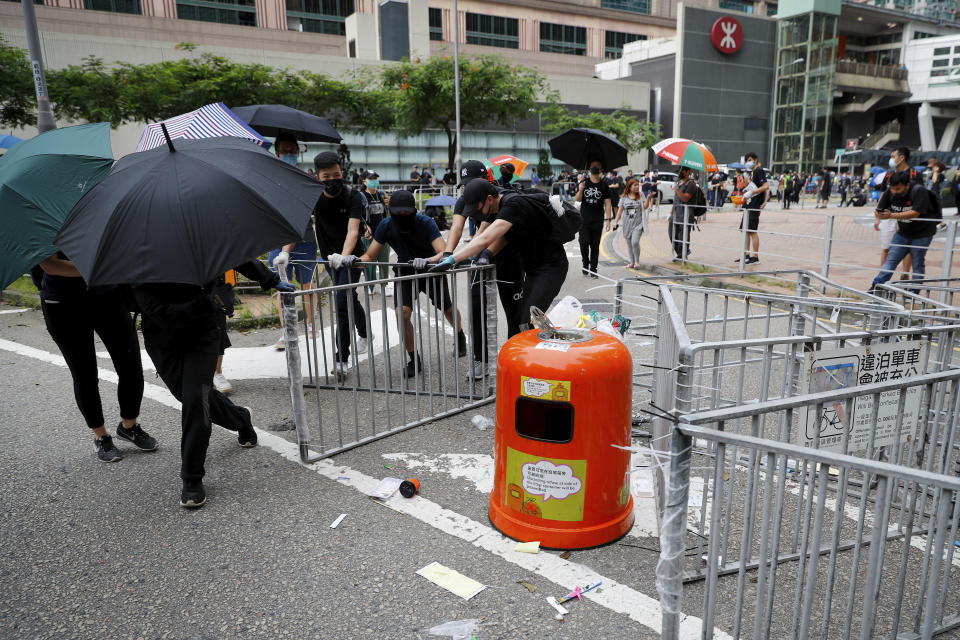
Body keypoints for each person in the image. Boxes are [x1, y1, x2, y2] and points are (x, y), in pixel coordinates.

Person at [133, 273, 294, 508]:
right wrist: (207, 302)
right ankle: (241, 418)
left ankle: (192, 477)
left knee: (196, 401)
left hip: (202, 334)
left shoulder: (193, 241)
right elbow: (161, 313)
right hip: (162, 339)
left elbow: (229, 243)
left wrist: (268, 278)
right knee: (193, 397)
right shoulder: (136, 261)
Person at [35, 253, 153, 463]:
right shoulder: (39, 220)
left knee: (131, 365)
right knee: (85, 374)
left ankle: (129, 426)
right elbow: (50, 265)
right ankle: (101, 436)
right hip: (62, 302)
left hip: (107, 293)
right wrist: (99, 269)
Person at [354, 190, 467, 377]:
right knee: (402, 313)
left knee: (446, 308)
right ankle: (414, 359)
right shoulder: (386, 226)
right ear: (392, 211)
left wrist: (429, 260)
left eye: (407, 213)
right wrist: (354, 260)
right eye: (399, 214)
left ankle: (460, 334)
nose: (403, 217)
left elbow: (444, 251)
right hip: (405, 271)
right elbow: (370, 255)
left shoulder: (426, 223)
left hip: (431, 271)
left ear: (414, 210)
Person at [431, 178, 568, 331]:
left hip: (551, 267)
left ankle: (542, 351)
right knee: (525, 319)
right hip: (532, 268)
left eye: (477, 209)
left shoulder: (513, 205)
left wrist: (451, 258)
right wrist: (480, 255)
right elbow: (504, 237)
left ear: (489, 199)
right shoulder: (498, 209)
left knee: (529, 320)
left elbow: (485, 238)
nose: (477, 215)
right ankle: (534, 350)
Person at [444, 160, 524, 378]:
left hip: (506, 256)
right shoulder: (466, 199)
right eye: (466, 185)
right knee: (477, 310)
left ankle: (515, 362)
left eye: (473, 183)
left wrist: (475, 252)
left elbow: (486, 232)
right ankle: (480, 360)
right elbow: (457, 226)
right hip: (479, 257)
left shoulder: (498, 196)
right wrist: (447, 253)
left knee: (514, 312)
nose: (469, 190)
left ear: (486, 179)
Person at [312, 151, 370, 380]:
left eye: (336, 174)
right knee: (349, 298)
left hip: (350, 259)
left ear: (342, 173)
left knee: (342, 302)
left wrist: (344, 257)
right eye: (326, 175)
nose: (332, 179)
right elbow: (298, 223)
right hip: (329, 259)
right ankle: (365, 332)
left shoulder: (353, 197)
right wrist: (286, 253)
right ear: (318, 176)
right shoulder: (314, 197)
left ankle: (341, 358)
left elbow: (353, 231)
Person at [270, 132, 319, 350]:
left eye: (292, 150)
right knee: (281, 286)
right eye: (285, 150)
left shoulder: (304, 178)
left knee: (307, 284)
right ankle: (286, 332)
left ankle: (310, 324)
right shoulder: (268, 177)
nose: (289, 154)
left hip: (305, 238)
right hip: (278, 238)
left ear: (298, 152)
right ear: (277, 152)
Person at [869, 170, 942, 291]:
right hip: (903, 233)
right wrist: (879, 214)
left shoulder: (918, 191)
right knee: (891, 260)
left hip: (923, 233)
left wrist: (891, 215)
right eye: (892, 189)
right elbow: (879, 209)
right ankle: (876, 288)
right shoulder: (890, 192)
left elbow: (915, 213)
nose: (894, 192)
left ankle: (913, 293)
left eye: (898, 189)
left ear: (907, 185)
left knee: (918, 263)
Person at [575, 159, 613, 278]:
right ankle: (585, 263)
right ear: (589, 168)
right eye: (593, 166)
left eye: (598, 166)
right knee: (583, 243)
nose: (595, 167)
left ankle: (593, 268)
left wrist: (608, 220)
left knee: (595, 245)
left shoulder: (604, 185)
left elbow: (607, 203)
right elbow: (577, 199)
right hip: (584, 219)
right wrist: (581, 189)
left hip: (597, 220)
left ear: (601, 169)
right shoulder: (584, 182)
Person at [359, 170, 391, 295]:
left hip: (383, 234)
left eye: (375, 178)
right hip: (368, 235)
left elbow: (386, 214)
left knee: (384, 260)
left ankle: (384, 285)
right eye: (371, 178)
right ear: (364, 181)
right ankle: (370, 286)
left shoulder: (382, 195)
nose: (374, 181)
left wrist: (389, 206)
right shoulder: (361, 196)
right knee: (369, 262)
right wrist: (365, 227)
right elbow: (358, 215)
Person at [736, 152, 769, 265]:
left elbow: (766, 186)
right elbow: (747, 185)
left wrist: (753, 193)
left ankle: (755, 257)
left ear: (755, 160)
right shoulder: (752, 172)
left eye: (750, 159)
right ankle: (746, 255)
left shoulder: (759, 170)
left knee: (752, 231)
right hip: (749, 204)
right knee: (745, 230)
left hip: (755, 204)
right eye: (747, 160)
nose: (748, 162)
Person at [616, 178, 646, 269]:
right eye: (635, 185)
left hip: (638, 224)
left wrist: (648, 198)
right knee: (629, 244)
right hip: (627, 224)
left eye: (638, 185)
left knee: (635, 242)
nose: (637, 187)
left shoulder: (641, 195)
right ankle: (632, 262)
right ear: (629, 187)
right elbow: (620, 211)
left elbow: (645, 207)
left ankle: (637, 261)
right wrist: (616, 222)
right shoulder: (624, 197)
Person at [670, 167, 699, 261]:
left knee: (683, 235)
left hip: (686, 214)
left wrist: (677, 189)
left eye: (682, 171)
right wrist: (670, 212)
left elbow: (685, 198)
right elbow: (676, 200)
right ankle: (681, 253)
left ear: (687, 172)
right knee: (672, 234)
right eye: (679, 171)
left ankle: (682, 255)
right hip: (675, 213)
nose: (680, 173)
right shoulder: (679, 183)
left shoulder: (691, 184)